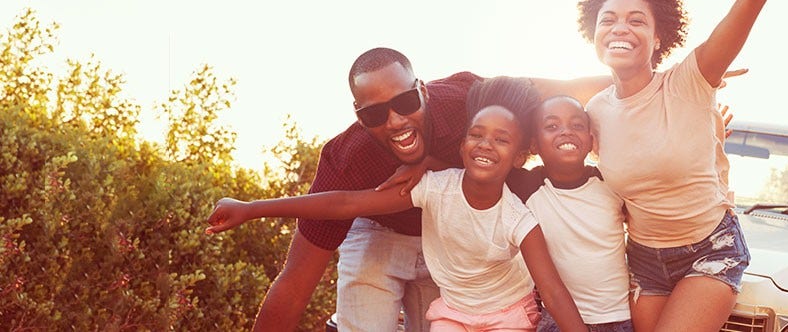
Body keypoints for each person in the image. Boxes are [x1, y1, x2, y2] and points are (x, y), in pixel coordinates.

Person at [256, 47, 616, 332]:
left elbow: (555, 88)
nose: (396, 121)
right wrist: (250, 208)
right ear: (358, 116)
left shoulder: (470, 105)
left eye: (405, 104)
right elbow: (294, 284)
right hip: (378, 228)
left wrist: (642, 85)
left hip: (448, 238)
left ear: (422, 91)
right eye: (375, 115)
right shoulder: (348, 160)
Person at [207, 92, 589, 332]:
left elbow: (553, 292)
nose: (486, 144)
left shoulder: (519, 217)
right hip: (449, 306)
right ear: (461, 144)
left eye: (501, 139)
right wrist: (252, 208)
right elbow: (344, 203)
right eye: (476, 135)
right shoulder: (431, 187)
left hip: (506, 312)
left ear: (521, 153)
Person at [576, 0, 770, 331]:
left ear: (658, 36)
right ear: (594, 33)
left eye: (637, 20)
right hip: (645, 260)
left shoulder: (689, 81)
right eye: (608, 19)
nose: (621, 28)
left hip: (709, 251)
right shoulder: (595, 111)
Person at [508, 96, 632, 332]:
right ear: (534, 145)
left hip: (621, 317)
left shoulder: (611, 181)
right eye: (552, 126)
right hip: (558, 319)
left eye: (577, 125)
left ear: (590, 140)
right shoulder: (526, 186)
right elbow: (478, 171)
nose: (566, 132)